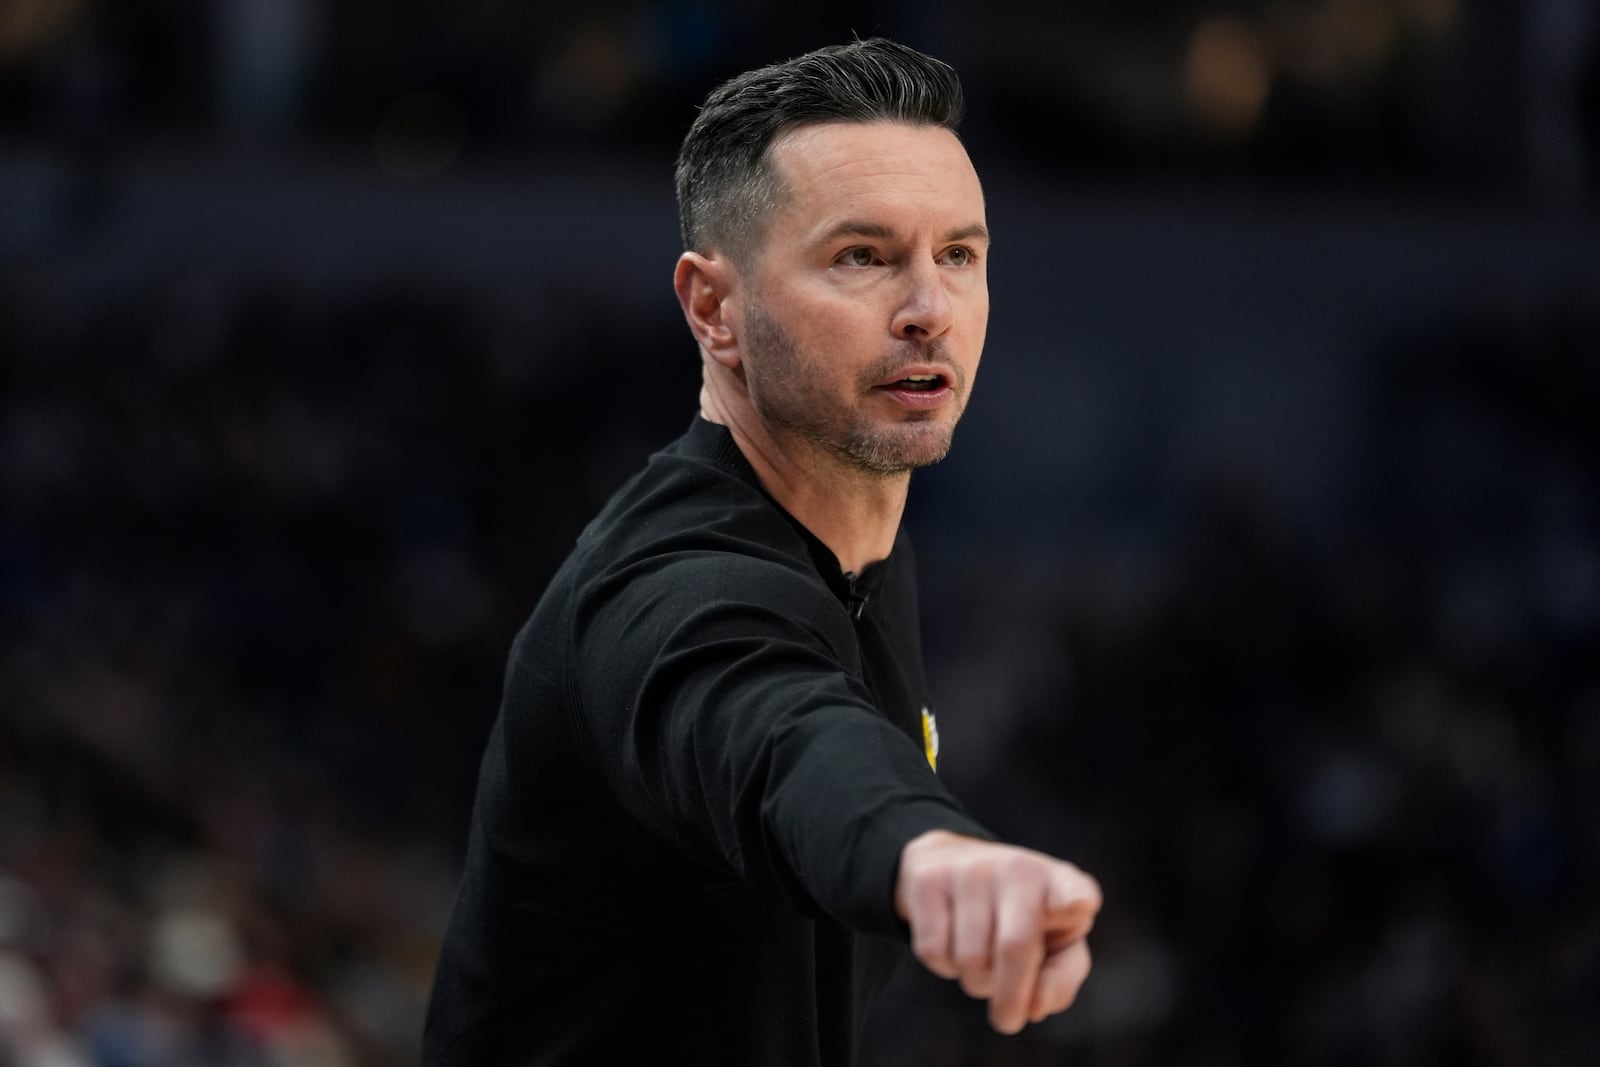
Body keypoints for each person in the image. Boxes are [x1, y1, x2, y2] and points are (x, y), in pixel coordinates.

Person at [422, 37, 1102, 1065]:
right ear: (713, 308)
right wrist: (928, 850)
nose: (928, 310)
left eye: (958, 254)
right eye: (861, 257)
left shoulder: (858, 541)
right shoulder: (666, 588)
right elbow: (781, 732)